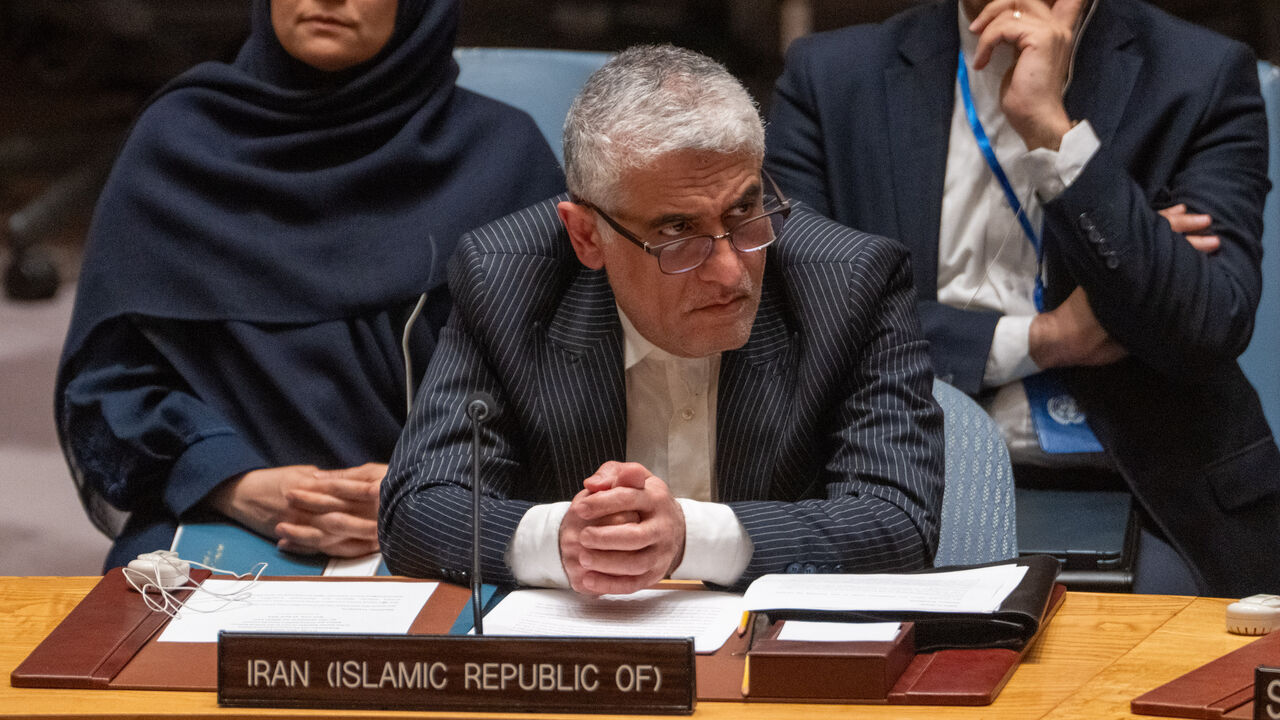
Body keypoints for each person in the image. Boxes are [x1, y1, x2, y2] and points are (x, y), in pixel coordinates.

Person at [379, 44, 944, 595]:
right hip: (584, 651)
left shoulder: (850, 284)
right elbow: (417, 509)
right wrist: (562, 540)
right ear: (586, 235)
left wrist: (685, 537)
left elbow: (897, 521)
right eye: (677, 232)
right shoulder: (506, 280)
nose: (730, 272)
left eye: (744, 210)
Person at [764, 0, 1280, 596]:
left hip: (1146, 489)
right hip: (898, 478)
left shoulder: (1198, 74)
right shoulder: (832, 77)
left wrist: (1053, 133)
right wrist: (1046, 339)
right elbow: (802, 320)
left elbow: (1209, 322)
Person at [56, 0, 565, 572]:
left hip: (454, 519)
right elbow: (106, 388)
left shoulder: (502, 155)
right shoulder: (177, 144)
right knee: (153, 660)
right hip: (220, 518)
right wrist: (231, 480)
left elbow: (562, 383)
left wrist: (431, 493)